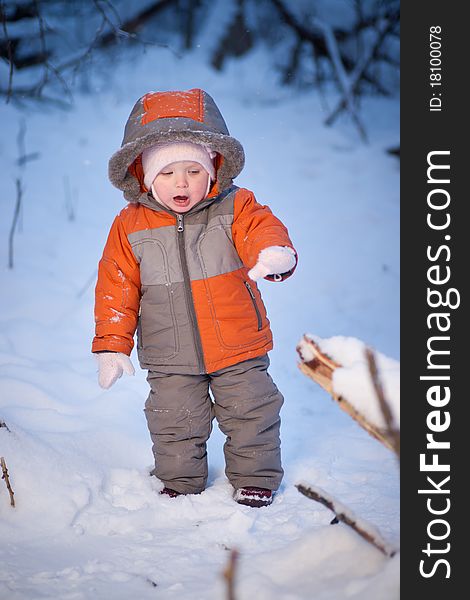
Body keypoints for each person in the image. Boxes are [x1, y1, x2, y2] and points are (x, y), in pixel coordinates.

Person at [92, 88, 297, 507]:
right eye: (166, 174)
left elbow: (262, 228)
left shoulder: (235, 206)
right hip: (170, 352)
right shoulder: (129, 225)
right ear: (146, 177)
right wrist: (112, 345)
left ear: (213, 170)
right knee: (173, 419)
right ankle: (179, 481)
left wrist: (272, 252)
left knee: (251, 411)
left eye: (192, 170)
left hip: (238, 341)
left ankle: (255, 477)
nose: (180, 182)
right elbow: (116, 286)